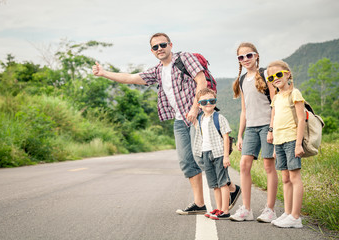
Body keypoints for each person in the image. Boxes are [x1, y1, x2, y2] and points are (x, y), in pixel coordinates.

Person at [92, 32, 240, 215]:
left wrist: (195, 109)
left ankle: (231, 188)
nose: (159, 49)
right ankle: (199, 203)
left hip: (200, 116)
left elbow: (201, 80)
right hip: (180, 120)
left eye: (162, 45)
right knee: (187, 161)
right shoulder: (157, 71)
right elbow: (131, 78)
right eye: (155, 47)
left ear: (170, 44)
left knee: (203, 157)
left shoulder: (184, 58)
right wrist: (104, 73)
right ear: (152, 51)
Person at [229, 42, 278, 222]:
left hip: (267, 125)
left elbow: (274, 103)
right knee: (244, 165)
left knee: (268, 166)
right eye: (241, 57)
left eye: (249, 55)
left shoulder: (266, 74)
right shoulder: (241, 80)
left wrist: (272, 129)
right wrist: (240, 134)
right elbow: (244, 110)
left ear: (256, 56)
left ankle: (270, 210)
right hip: (250, 128)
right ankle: (247, 209)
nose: (245, 60)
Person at [267, 60, 305, 228]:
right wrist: (275, 146)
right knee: (285, 178)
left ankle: (296, 217)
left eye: (278, 74)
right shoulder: (275, 98)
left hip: (291, 139)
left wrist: (298, 143)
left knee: (295, 177)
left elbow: (302, 120)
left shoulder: (294, 93)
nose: (275, 78)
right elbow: (274, 121)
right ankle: (288, 213)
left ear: (288, 74)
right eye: (271, 77)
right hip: (279, 141)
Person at [193, 88, 232, 220]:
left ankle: (225, 210)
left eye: (211, 100)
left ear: (215, 102)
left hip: (219, 153)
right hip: (205, 153)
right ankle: (218, 209)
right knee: (214, 184)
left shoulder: (219, 118)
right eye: (204, 102)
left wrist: (226, 156)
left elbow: (226, 137)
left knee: (223, 183)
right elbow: (199, 137)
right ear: (199, 105)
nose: (208, 103)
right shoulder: (200, 119)